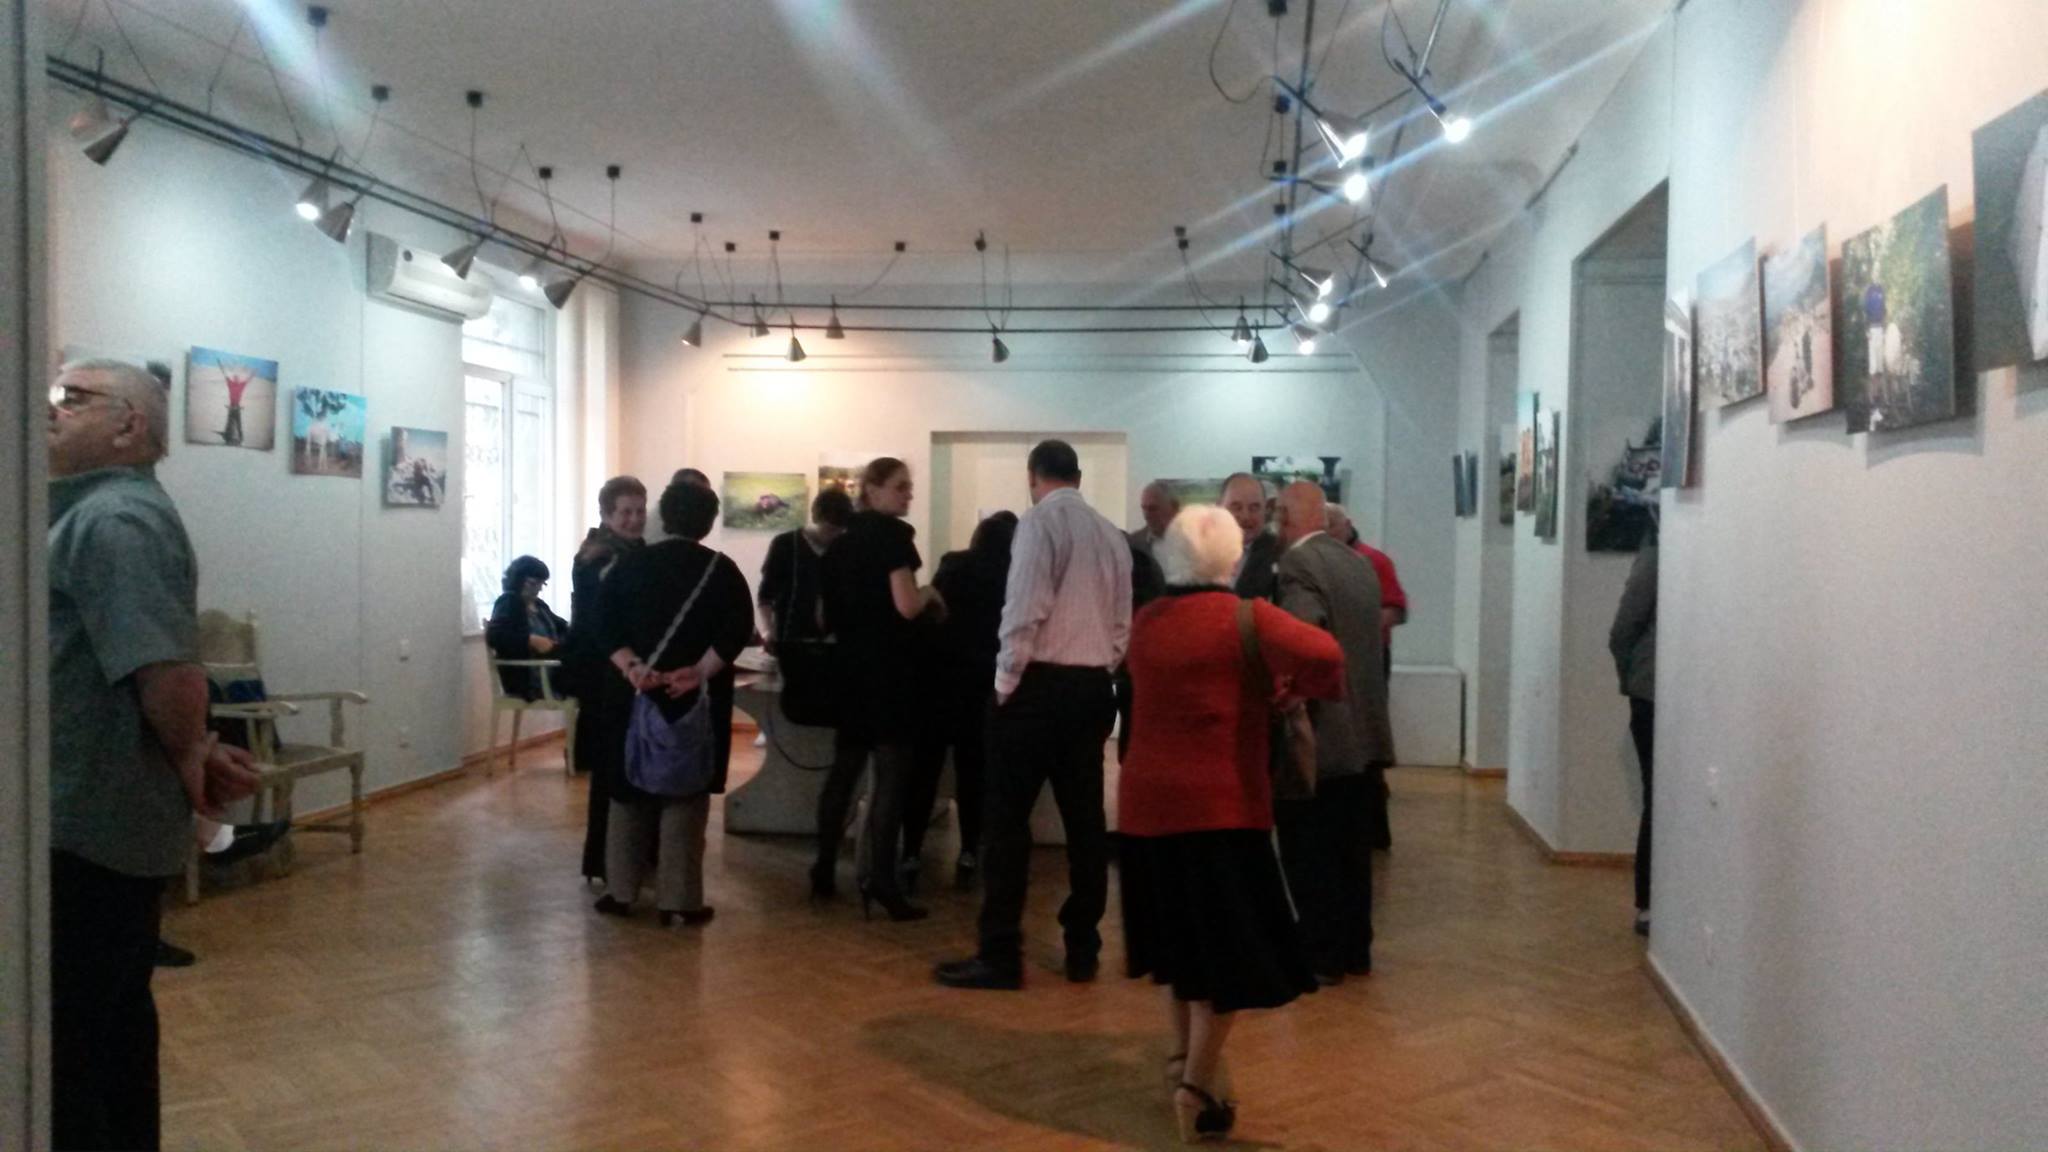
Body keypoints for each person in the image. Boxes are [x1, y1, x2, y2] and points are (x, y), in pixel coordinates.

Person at [46, 358, 262, 1151]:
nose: (52, 408)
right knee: (104, 1028)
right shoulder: (93, 513)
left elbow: (168, 673)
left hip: (92, 821)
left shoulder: (115, 520)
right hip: (92, 815)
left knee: (78, 1041)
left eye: (73, 398)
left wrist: (193, 757)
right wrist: (194, 755)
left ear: (128, 425)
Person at [1117, 505, 1344, 1142]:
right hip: (1221, 808)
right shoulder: (1248, 617)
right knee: (1227, 958)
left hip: (1145, 806)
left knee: (1178, 951)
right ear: (1235, 558)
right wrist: (1287, 688)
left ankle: (1183, 1064)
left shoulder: (1147, 620)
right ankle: (1195, 1087)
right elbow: (1326, 654)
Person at [935, 440, 1132, 990]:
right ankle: (1083, 948)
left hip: (1035, 689)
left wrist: (1005, 685)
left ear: (1032, 477)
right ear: (1078, 477)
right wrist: (1099, 668)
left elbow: (1023, 611)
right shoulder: (1111, 535)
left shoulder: (1038, 524)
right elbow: (1122, 625)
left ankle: (1001, 953)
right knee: (1085, 822)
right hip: (1091, 688)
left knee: (1005, 824)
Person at [595, 479, 753, 926]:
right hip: (693, 697)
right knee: (686, 794)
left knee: (628, 791)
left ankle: (621, 891)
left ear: (663, 517)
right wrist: (698, 671)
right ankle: (679, 900)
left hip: (633, 695)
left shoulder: (629, 565)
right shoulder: (721, 570)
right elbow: (737, 630)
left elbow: (602, 624)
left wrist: (632, 668)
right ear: (708, 522)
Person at [1273, 482, 1395, 984]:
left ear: (1286, 518)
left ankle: (1321, 954)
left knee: (1310, 849)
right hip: (1363, 732)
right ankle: (1355, 950)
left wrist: (1288, 696)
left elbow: (1304, 640)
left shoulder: (1299, 565)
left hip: (1323, 734)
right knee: (1352, 852)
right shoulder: (1357, 562)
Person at [813, 457, 943, 920]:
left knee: (844, 772)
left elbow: (822, 618)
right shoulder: (893, 538)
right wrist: (931, 593)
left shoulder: (839, 544)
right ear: (872, 489)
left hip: (850, 671)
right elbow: (906, 605)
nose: (909, 494)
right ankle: (883, 880)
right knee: (890, 779)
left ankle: (824, 866)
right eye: (900, 487)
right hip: (890, 673)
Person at [901, 511, 1016, 892]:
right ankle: (968, 851)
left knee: (924, 772)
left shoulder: (953, 563)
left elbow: (933, 613)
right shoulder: (1013, 574)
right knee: (973, 773)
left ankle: (911, 851)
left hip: (939, 680)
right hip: (983, 684)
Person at [569, 475, 648, 885]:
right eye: (626, 512)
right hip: (604, 677)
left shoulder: (631, 553)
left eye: (640, 511)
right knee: (610, 769)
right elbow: (601, 624)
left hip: (622, 673)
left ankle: (624, 857)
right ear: (606, 514)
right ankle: (605, 860)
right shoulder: (597, 560)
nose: (635, 519)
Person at [1326, 502, 1407, 849]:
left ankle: (1373, 829)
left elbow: (1395, 609)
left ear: (1348, 524)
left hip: (1369, 658)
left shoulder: (1374, 561)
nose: (1328, 532)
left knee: (1367, 737)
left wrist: (1357, 626)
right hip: (1332, 657)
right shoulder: (1317, 562)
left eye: (1333, 525)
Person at [1608, 528, 1658, 937]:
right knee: (1659, 798)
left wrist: (1630, 676)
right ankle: (1649, 901)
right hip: (1651, 690)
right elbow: (1623, 629)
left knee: (1659, 799)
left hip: (1649, 689)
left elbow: (1623, 629)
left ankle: (1651, 903)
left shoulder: (1656, 550)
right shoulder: (1658, 551)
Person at [758, 487, 856, 662]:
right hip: (790, 640)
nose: (832, 536)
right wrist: (767, 630)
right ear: (816, 518)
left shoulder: (846, 547)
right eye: (828, 529)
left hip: (837, 643)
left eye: (838, 531)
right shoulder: (785, 544)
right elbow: (765, 595)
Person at [485, 555, 569, 700]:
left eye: (542, 584)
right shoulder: (509, 602)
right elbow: (495, 635)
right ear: (518, 580)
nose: (539, 589)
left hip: (550, 668)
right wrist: (531, 640)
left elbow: (563, 627)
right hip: (528, 677)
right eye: (533, 583)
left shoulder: (539, 606)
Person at [1222, 472, 1281, 600]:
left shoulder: (1279, 553)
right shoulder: (1199, 551)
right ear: (1219, 507)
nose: (1245, 516)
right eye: (1237, 508)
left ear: (1265, 510)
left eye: (1254, 508)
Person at [1128, 480, 1180, 556]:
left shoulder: (1192, 540)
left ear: (1174, 508)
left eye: (1153, 509)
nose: (1147, 515)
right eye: (1144, 508)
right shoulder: (1133, 543)